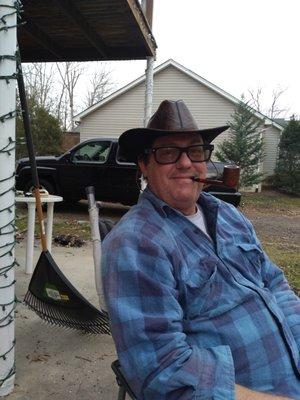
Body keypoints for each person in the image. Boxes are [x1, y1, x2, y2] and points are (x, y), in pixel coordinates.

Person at [101, 100, 300, 399]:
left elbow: (273, 283)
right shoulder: (136, 244)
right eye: (168, 152)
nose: (185, 163)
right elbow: (161, 368)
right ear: (144, 164)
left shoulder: (228, 215)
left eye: (195, 151)